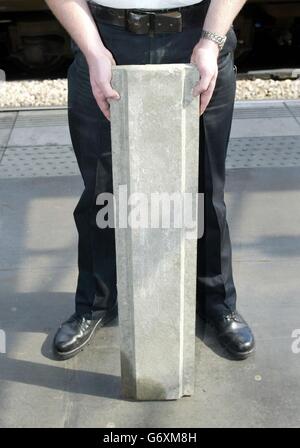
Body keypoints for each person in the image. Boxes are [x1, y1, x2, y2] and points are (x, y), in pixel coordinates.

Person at [45, 0, 255, 360]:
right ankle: (96, 303)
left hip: (199, 33)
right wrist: (93, 51)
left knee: (205, 186)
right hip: (105, 39)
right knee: (101, 189)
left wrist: (211, 40)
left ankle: (216, 302)